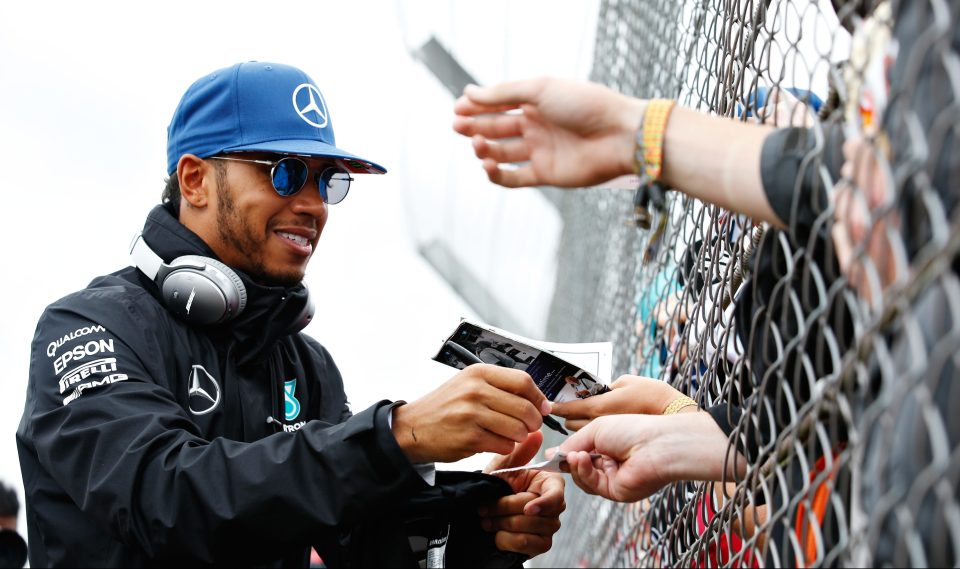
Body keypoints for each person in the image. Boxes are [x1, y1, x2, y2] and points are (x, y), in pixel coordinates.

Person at [16, 61, 564, 567]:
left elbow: (362, 543)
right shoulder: (89, 327)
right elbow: (167, 501)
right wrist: (399, 435)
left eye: (327, 181)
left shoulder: (307, 366)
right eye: (284, 172)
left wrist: (480, 526)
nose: (313, 204)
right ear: (194, 181)